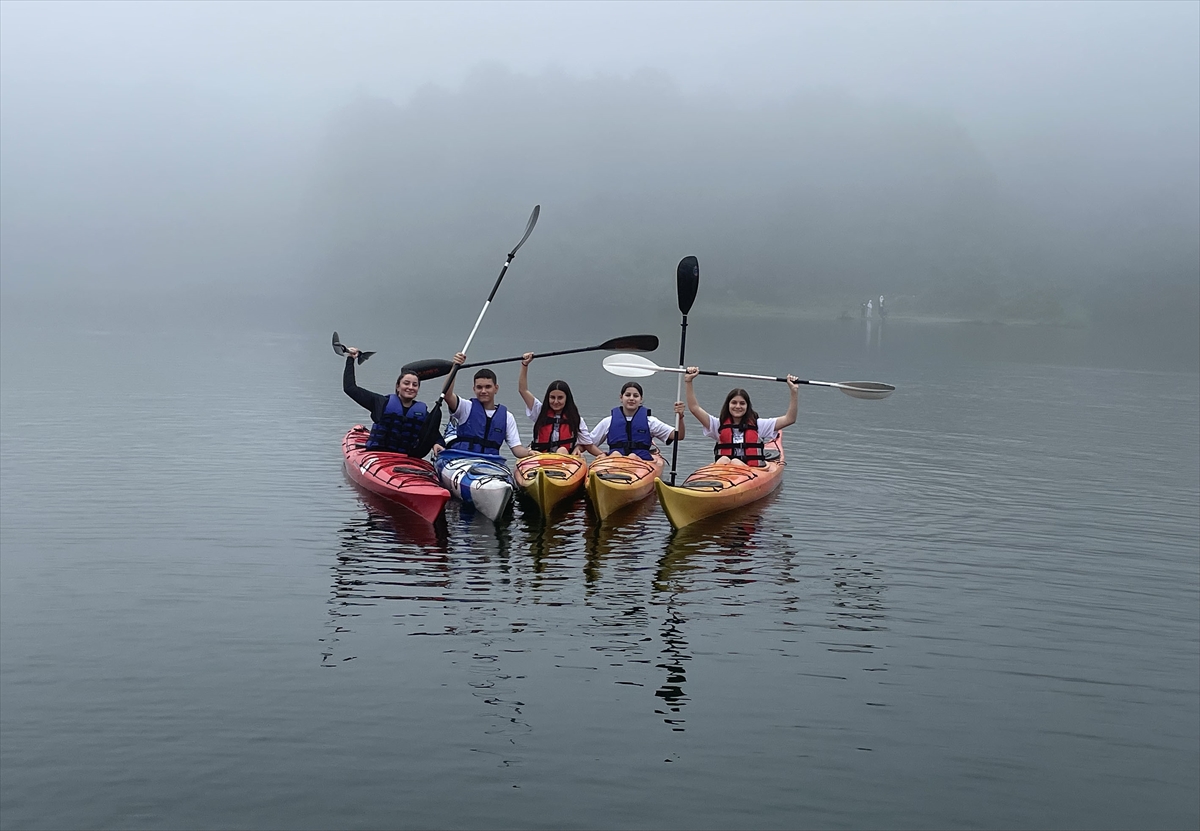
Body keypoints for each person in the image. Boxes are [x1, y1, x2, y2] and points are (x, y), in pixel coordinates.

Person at [682, 367, 799, 466]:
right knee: (724, 459)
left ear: (748, 406)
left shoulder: (759, 425)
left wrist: (793, 392)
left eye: (742, 403)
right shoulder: (718, 425)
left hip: (750, 473)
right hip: (724, 473)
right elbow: (694, 408)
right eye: (734, 403)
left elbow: (790, 419)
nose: (738, 406)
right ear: (728, 405)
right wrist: (688, 381)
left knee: (735, 462)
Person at [341, 345, 437, 456]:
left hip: (407, 458)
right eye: (406, 383)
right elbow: (350, 388)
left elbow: (432, 432)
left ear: (418, 389)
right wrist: (350, 359)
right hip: (378, 456)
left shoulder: (423, 413)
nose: (410, 387)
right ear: (397, 386)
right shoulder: (381, 403)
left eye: (415, 385)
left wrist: (436, 443)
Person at [442, 353, 533, 458]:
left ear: (496, 388)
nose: (483, 391)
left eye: (488, 387)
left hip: (490, 463)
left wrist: (529, 452)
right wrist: (455, 367)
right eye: (479, 387)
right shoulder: (466, 407)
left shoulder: (507, 417)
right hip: (463, 459)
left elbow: (517, 449)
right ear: (474, 389)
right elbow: (447, 395)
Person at [517, 352, 602, 455]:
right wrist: (524, 365)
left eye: (560, 398)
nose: (556, 401)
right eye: (552, 397)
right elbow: (523, 390)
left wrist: (603, 456)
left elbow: (588, 445)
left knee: (562, 450)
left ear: (567, 399)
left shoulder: (576, 419)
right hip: (540, 456)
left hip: (564, 460)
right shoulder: (539, 411)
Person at [588, 381, 686, 459]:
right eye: (628, 395)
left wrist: (680, 417)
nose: (631, 398)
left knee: (632, 456)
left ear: (641, 399)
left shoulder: (650, 422)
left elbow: (679, 436)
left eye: (635, 396)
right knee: (616, 454)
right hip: (615, 461)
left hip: (640, 464)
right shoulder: (608, 422)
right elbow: (588, 443)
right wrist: (601, 454)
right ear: (621, 398)